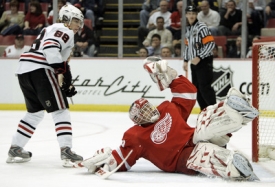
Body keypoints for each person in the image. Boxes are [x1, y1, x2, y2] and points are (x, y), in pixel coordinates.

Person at [79, 56, 260, 181]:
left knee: (205, 120)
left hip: (192, 137)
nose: (150, 112)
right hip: (178, 159)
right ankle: (232, 165)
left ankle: (236, 112)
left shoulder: (167, 108)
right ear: (139, 121)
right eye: (144, 113)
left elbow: (189, 93)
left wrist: (170, 76)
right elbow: (123, 160)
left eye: (148, 107)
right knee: (202, 152)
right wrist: (107, 160)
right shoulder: (135, 136)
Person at [6, 4, 84, 167]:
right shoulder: (65, 29)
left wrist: (67, 81)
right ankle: (66, 151)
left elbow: (62, 63)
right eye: (76, 20)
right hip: (39, 69)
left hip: (25, 70)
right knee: (61, 110)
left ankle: (16, 147)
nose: (78, 25)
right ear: (66, 18)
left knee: (34, 113)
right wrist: (59, 68)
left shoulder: (53, 28)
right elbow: (50, 48)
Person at [183, 5, 216, 111]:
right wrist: (185, 60)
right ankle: (204, 110)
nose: (191, 16)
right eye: (189, 14)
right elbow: (187, 47)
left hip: (204, 61)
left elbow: (210, 44)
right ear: (186, 15)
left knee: (205, 87)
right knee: (196, 89)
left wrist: (200, 56)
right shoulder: (188, 30)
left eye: (193, 14)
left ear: (196, 14)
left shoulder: (202, 27)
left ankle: (214, 111)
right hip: (194, 63)